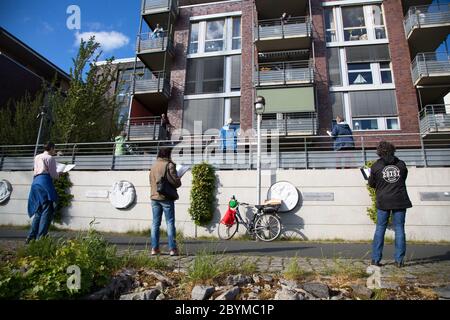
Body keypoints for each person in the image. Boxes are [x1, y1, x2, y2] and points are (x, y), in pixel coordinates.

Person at [368, 141, 412, 268]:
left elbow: (371, 184)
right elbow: (403, 178)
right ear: (393, 150)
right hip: (400, 200)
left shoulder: (376, 166)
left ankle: (375, 260)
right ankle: (399, 261)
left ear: (379, 152)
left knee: (380, 229)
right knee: (399, 229)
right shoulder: (401, 164)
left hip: (383, 201)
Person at [149, 147, 181, 256]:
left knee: (155, 224)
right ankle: (172, 249)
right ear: (168, 154)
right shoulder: (169, 165)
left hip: (154, 197)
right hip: (166, 198)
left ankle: (154, 248)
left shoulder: (153, 165)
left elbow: (151, 181)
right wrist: (178, 176)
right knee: (170, 223)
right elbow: (176, 182)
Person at [26, 142, 60, 243]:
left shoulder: (37, 157)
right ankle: (41, 238)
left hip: (35, 182)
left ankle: (31, 237)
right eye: (54, 149)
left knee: (39, 210)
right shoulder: (50, 158)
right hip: (45, 182)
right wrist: (60, 174)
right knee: (47, 210)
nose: (55, 151)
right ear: (52, 148)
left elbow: (36, 170)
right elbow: (54, 175)